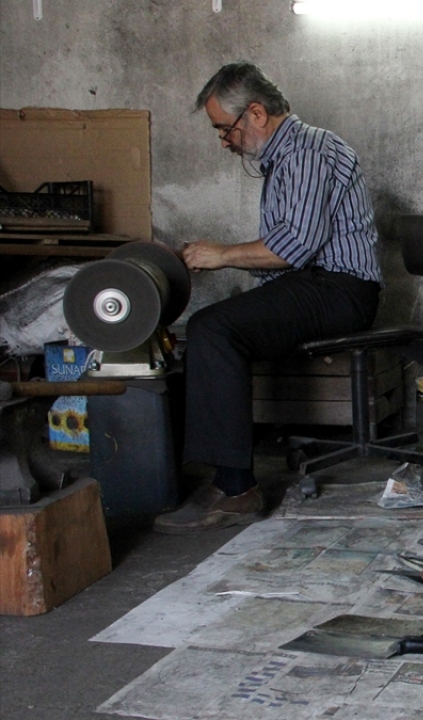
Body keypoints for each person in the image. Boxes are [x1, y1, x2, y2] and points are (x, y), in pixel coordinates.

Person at [154, 62, 383, 533]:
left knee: (213, 328)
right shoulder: (286, 157)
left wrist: (221, 255)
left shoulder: (306, 151)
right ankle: (223, 478)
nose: (223, 140)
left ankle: (237, 489)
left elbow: (294, 246)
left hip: (339, 289)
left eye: (224, 128)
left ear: (255, 113)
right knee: (212, 328)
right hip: (317, 284)